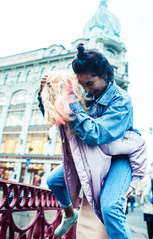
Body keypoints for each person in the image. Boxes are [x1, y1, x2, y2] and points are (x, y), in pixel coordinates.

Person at [38, 44, 147, 238]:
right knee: (54, 181)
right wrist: (44, 95)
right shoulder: (86, 94)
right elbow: (59, 119)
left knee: (110, 206)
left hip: (118, 158)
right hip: (94, 154)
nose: (86, 90)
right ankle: (70, 215)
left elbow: (94, 134)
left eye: (90, 84)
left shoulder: (122, 100)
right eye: (81, 85)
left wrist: (71, 101)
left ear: (105, 75)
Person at [141, 166, 153, 239]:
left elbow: (146, 194)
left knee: (149, 227)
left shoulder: (151, 181)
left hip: (148, 210)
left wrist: (151, 201)